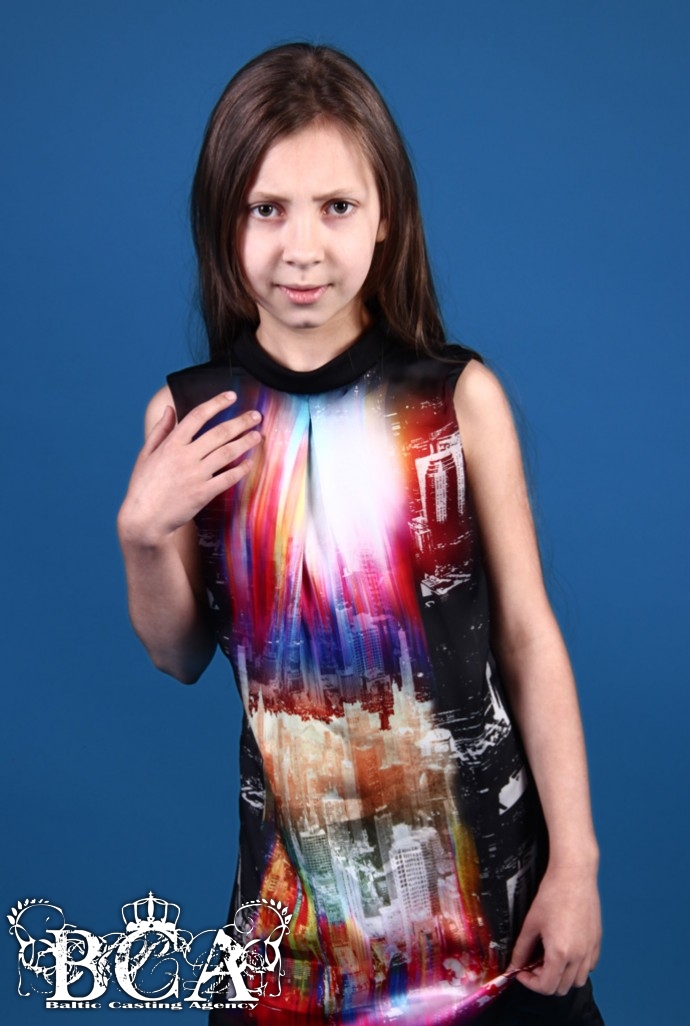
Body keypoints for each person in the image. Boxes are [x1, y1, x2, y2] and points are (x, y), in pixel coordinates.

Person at [118, 43, 603, 1025]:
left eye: (336, 206)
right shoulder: (192, 418)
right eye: (267, 209)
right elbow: (179, 656)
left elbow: (527, 635)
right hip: (292, 928)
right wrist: (142, 532)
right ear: (222, 222)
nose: (303, 248)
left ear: (387, 218)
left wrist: (578, 865)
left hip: (487, 910)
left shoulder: (457, 399)